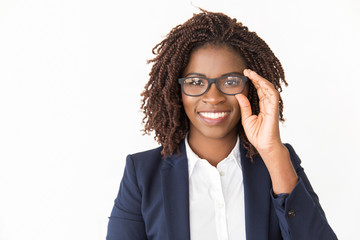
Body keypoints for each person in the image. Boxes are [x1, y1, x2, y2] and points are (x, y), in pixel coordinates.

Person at [106, 10, 337, 240]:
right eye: (196, 82)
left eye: (231, 81)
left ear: (251, 87)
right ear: (178, 91)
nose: (213, 97)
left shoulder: (278, 162)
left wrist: (272, 152)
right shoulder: (142, 174)